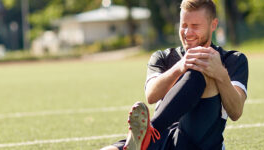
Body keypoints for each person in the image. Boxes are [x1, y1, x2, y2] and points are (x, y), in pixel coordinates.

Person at [101, 0, 248, 149]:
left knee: (203, 63)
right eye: (184, 25)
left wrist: (220, 74)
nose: (187, 32)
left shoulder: (233, 59)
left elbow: (236, 112)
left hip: (199, 141)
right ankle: (149, 135)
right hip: (162, 138)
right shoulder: (162, 57)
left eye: (195, 26)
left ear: (213, 25)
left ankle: (150, 131)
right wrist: (179, 67)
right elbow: (151, 95)